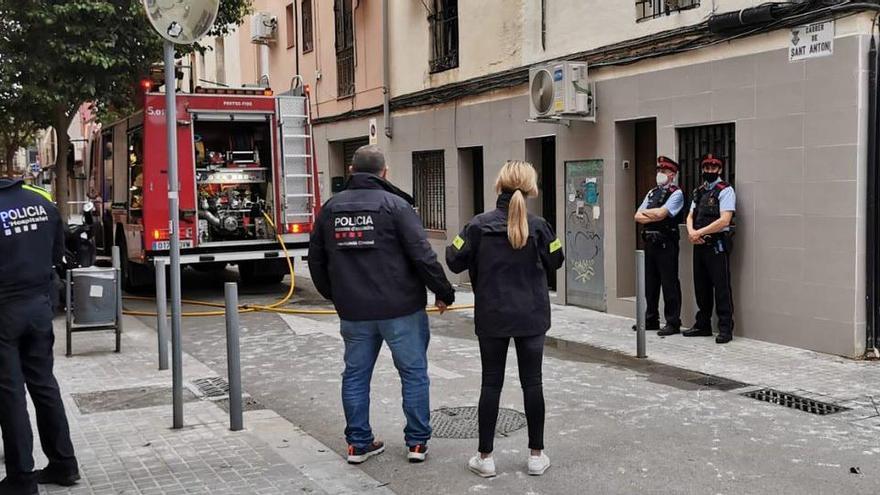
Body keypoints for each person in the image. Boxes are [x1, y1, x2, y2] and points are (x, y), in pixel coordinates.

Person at [308, 145, 455, 465]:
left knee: (355, 376)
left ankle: (358, 444)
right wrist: (443, 291)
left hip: (355, 312)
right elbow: (423, 255)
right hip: (401, 309)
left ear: (350, 170)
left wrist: (336, 295)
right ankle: (417, 443)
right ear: (384, 172)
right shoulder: (396, 206)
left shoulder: (331, 209)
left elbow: (315, 260)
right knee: (414, 374)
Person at [446, 161, 564, 478]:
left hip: (493, 316)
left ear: (499, 186)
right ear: (529, 189)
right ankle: (536, 456)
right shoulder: (540, 226)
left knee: (491, 383)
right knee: (533, 383)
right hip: (531, 316)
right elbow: (557, 259)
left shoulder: (476, 225)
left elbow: (453, 258)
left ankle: (485, 458)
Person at [0, 178, 80, 495]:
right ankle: (64, 463)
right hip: (39, 306)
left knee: (10, 394)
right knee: (44, 384)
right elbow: (58, 252)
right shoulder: (40, 200)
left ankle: (21, 478)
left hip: (4, 310)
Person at [684, 154, 736, 344]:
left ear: (719, 170)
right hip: (699, 244)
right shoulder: (699, 191)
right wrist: (691, 232)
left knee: (721, 287)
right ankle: (702, 325)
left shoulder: (726, 190)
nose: (709, 171)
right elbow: (690, 215)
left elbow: (724, 220)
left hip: (717, 244)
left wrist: (699, 232)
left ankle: (725, 329)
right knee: (701, 287)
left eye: (713, 169)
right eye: (706, 168)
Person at [634, 156, 684, 336]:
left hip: (666, 243)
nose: (660, 174)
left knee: (669, 282)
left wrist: (651, 214)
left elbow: (663, 214)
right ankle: (651, 318)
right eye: (659, 171)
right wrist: (652, 214)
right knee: (650, 283)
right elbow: (637, 216)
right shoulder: (652, 192)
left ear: (672, 174)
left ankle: (673, 322)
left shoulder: (676, 193)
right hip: (650, 242)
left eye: (664, 171)